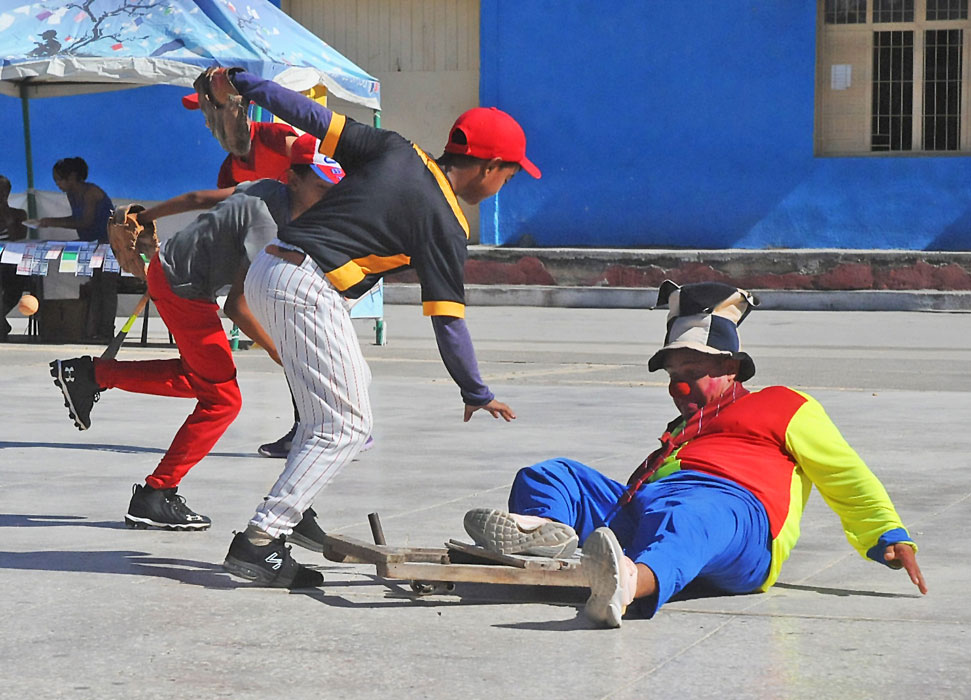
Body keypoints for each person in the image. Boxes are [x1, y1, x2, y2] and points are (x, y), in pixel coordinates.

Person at [200, 67, 541, 588]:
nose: (504, 186)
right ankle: (261, 541)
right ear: (489, 168)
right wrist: (475, 390)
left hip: (273, 269)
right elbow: (448, 323)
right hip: (305, 285)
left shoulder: (396, 150)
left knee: (337, 404)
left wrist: (245, 83)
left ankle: (296, 507)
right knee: (348, 427)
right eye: (510, 176)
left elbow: (309, 116)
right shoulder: (446, 223)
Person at [463, 280, 927, 628]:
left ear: (730, 368)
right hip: (648, 506)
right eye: (672, 373)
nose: (678, 384)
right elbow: (636, 497)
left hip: (738, 518)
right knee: (552, 475)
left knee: (691, 514)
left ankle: (627, 584)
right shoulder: (683, 430)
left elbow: (845, 474)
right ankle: (549, 542)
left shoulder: (784, 404)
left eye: (693, 370)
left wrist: (887, 533)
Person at [49, 136, 340, 539]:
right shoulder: (270, 226)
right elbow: (237, 306)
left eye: (334, 190)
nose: (328, 197)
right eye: (321, 188)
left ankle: (92, 374)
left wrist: (143, 215)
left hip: (169, 275)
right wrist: (282, 354)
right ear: (293, 178)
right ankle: (157, 492)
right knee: (223, 400)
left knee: (199, 378)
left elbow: (197, 197)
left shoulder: (264, 188)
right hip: (184, 291)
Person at [27, 157, 118, 341]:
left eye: (59, 179)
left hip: (109, 245)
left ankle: (106, 331)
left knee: (106, 287)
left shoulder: (91, 193)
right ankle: (92, 329)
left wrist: (51, 222)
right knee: (95, 286)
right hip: (91, 245)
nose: (57, 184)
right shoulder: (72, 194)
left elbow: (86, 221)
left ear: (73, 176)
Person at [0, 174, 28, 341]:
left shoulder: (18, 215)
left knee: (15, 283)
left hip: (11, 263)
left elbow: (19, 238)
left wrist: (9, 221)